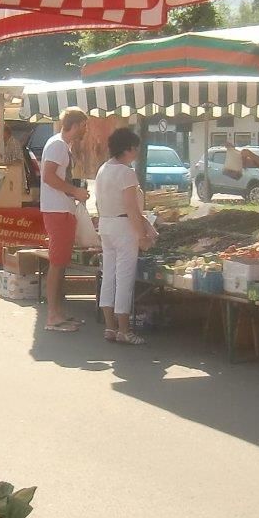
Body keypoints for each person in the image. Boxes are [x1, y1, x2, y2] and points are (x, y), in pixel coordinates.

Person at [96, 127, 154, 345]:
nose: (137, 152)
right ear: (128, 149)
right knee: (124, 279)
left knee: (109, 276)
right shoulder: (126, 172)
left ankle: (110, 327)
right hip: (123, 227)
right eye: (136, 148)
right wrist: (142, 235)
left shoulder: (103, 169)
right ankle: (124, 329)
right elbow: (131, 208)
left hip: (106, 224)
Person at [39, 109, 92, 333]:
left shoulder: (62, 145)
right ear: (76, 124)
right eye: (84, 125)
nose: (86, 130)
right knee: (57, 262)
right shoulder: (58, 145)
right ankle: (52, 315)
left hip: (62, 208)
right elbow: (48, 176)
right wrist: (74, 191)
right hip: (57, 209)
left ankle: (58, 312)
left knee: (61, 262)